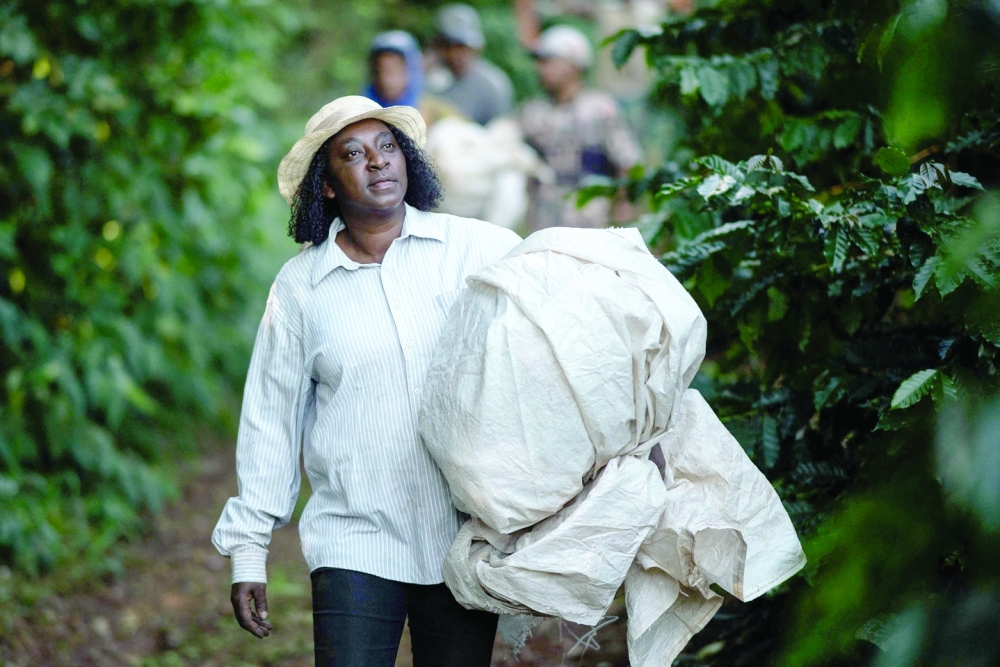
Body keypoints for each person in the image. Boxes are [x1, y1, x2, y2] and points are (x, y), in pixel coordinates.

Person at [211, 96, 521, 666]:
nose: (377, 161)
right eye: (352, 153)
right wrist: (249, 553)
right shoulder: (302, 287)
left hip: (461, 535)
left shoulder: (477, 249)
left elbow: (555, 332)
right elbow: (270, 420)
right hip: (354, 538)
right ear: (326, 185)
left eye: (388, 146)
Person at [516, 25, 643, 231]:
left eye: (548, 62)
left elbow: (627, 163)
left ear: (573, 66)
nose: (541, 69)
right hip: (543, 224)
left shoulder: (601, 110)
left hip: (592, 223)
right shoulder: (531, 113)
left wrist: (623, 208)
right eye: (539, 62)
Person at [429, 3, 514, 125]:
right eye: (449, 46)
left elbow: (500, 134)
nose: (455, 54)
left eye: (462, 47)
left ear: (477, 48)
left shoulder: (493, 84)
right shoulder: (427, 79)